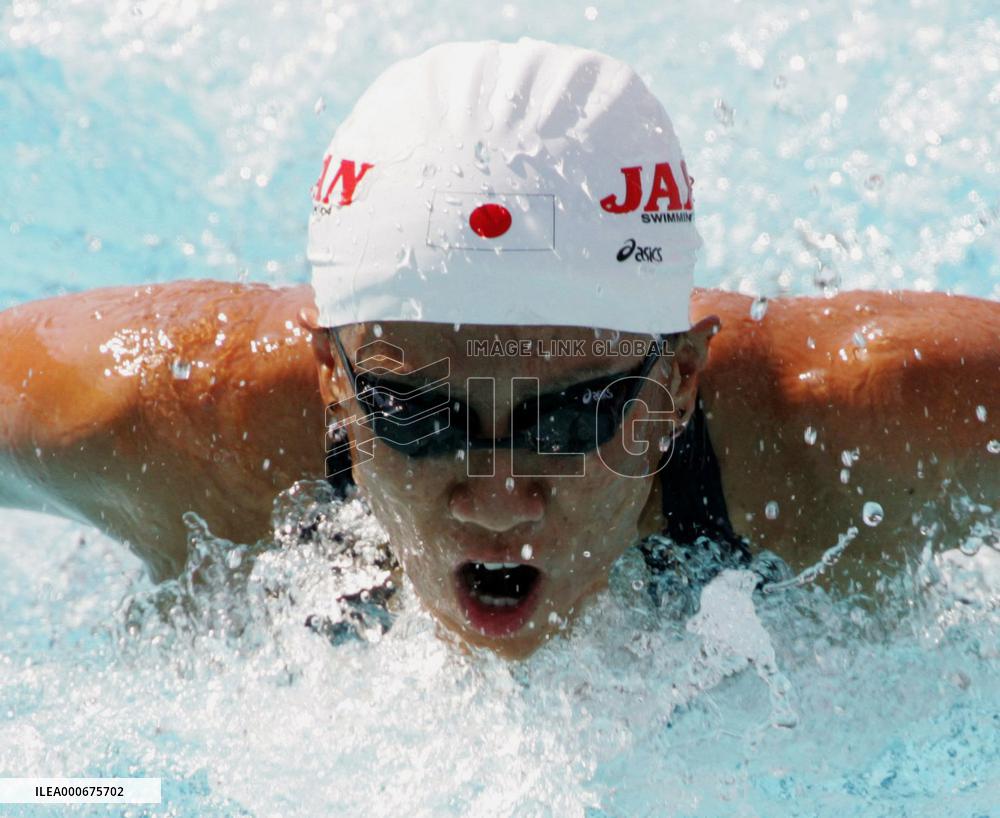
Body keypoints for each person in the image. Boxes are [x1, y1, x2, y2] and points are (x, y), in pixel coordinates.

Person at [0, 39, 996, 658]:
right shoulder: (174, 416)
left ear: (679, 383)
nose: (495, 496)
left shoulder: (851, 423)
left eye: (569, 415)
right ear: (329, 378)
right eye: (418, 413)